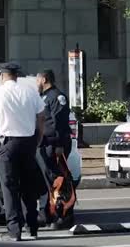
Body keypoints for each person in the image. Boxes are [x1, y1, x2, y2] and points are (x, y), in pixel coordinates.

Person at [0, 62, 45, 241]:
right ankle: (32, 227)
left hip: (7, 144)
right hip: (28, 143)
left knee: (9, 187)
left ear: (1, 76)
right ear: (16, 75)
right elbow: (41, 116)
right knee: (28, 187)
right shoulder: (30, 91)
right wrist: (38, 138)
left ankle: (14, 230)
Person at [35, 70, 74, 228]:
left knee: (57, 180)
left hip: (55, 144)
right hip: (44, 144)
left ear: (44, 79)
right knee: (46, 181)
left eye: (37, 80)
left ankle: (63, 215)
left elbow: (59, 123)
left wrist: (59, 145)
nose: (36, 83)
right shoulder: (43, 97)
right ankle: (46, 213)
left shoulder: (57, 97)